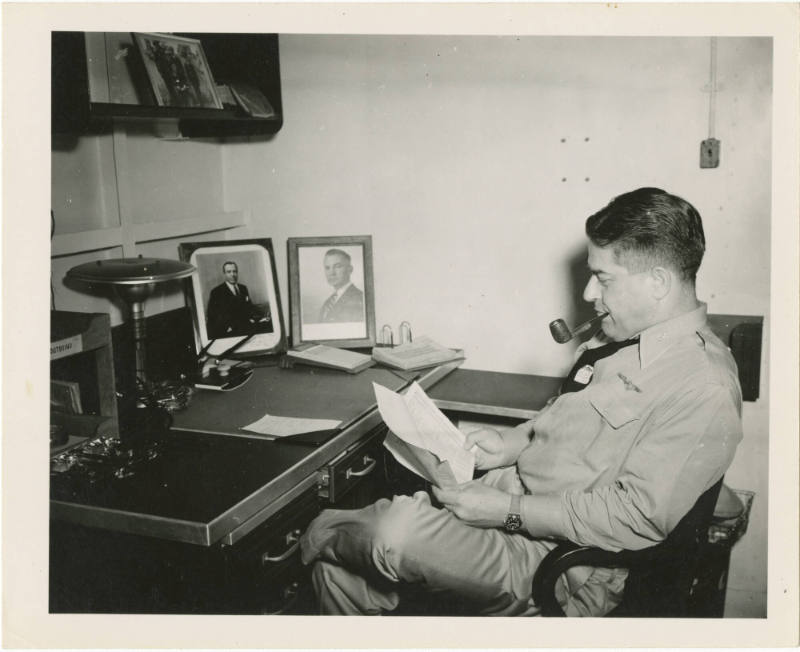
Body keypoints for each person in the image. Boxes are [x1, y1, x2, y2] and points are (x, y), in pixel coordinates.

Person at [299, 187, 743, 616]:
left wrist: (508, 513)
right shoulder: (617, 341)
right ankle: (326, 542)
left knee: (391, 532)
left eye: (603, 278)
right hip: (508, 496)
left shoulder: (704, 385)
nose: (590, 293)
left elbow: (637, 516)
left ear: (659, 283)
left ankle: (310, 533)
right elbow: (562, 420)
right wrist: (512, 441)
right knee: (338, 573)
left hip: (562, 562)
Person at [206, 261, 270, 339]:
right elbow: (212, 315)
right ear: (224, 274)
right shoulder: (216, 292)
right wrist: (227, 327)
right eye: (229, 272)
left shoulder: (243, 288)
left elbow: (249, 307)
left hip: (246, 326)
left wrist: (262, 316)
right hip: (229, 331)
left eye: (234, 271)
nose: (232, 274)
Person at [317, 249, 365, 323]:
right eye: (327, 268)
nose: (331, 273)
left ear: (350, 269)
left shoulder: (360, 299)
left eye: (337, 266)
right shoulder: (327, 303)